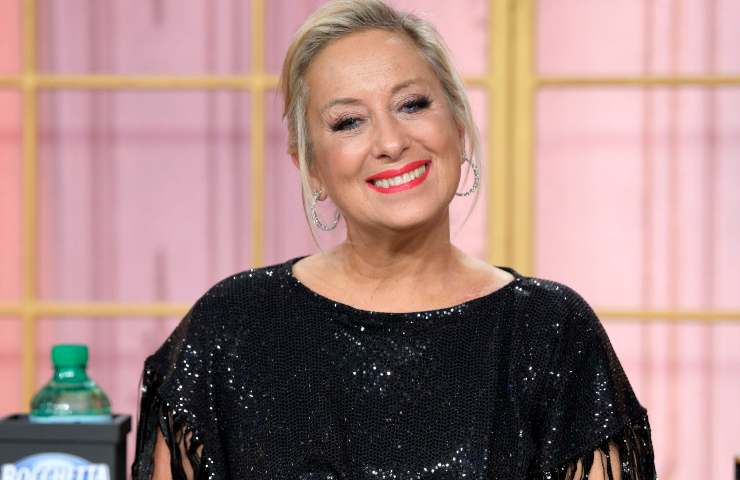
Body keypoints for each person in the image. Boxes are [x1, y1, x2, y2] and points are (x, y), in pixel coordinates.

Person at [132, 1, 656, 479]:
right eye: (348, 122)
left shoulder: (551, 330)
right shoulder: (231, 326)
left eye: (411, 104)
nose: (390, 142)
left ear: (458, 125)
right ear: (310, 167)